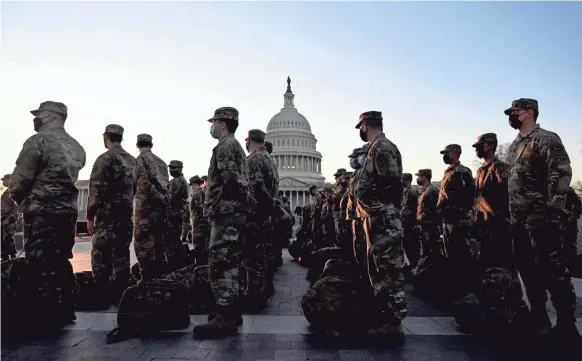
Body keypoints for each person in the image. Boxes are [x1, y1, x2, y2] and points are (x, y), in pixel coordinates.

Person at [504, 98, 579, 341]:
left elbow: (562, 173)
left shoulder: (547, 139)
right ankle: (539, 316)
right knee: (527, 269)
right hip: (518, 220)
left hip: (542, 220)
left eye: (514, 112)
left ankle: (567, 323)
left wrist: (551, 211)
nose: (511, 116)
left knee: (553, 270)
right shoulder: (515, 146)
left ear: (528, 113)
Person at [7, 101, 86, 328]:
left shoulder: (38, 141)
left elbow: (21, 177)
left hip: (42, 210)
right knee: (60, 259)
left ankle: (43, 315)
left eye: (39, 115)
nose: (36, 119)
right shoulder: (76, 147)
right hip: (67, 211)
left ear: (51, 116)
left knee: (39, 262)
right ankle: (65, 308)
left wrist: (16, 196)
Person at [193, 107, 250, 338]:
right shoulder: (236, 146)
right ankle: (231, 311)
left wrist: (217, 203)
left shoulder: (225, 147)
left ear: (222, 124)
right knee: (232, 263)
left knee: (220, 263)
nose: (212, 127)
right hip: (234, 213)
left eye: (214, 122)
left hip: (225, 213)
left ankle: (224, 315)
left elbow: (230, 178)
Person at [354, 111, 406, 336]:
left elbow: (392, 184)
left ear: (365, 126)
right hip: (376, 218)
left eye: (360, 128)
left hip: (383, 218)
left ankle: (391, 322)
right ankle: (383, 318)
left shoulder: (382, 147)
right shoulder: (376, 148)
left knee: (387, 272)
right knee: (378, 270)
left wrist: (381, 208)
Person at [86, 124, 137, 301]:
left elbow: (95, 190)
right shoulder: (132, 160)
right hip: (124, 216)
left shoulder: (104, 159)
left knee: (101, 255)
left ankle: (101, 294)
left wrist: (90, 217)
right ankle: (121, 295)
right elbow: (135, 188)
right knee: (122, 254)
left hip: (106, 217)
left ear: (106, 137)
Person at [242, 129, 277, 309]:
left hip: (255, 216)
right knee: (263, 255)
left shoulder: (255, 159)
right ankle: (263, 290)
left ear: (249, 140)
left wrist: (258, 206)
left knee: (253, 258)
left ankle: (254, 296)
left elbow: (257, 187)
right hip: (265, 216)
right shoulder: (269, 158)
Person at [437, 144, 476, 299]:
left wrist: (459, 214)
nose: (444, 156)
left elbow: (468, 196)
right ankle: (455, 289)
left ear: (454, 154)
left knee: (461, 256)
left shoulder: (462, 172)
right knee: (451, 256)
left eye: (446, 153)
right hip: (448, 220)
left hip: (458, 221)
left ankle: (465, 290)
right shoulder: (449, 172)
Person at [472, 133, 511, 270]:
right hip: (484, 224)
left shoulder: (500, 168)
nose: (477, 150)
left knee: (502, 263)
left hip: (498, 225)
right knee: (486, 262)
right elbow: (478, 198)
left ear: (489, 146)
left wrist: (502, 218)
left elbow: (508, 194)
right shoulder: (481, 171)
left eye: (479, 146)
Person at [133, 134, 170, 280]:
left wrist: (156, 198)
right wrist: (163, 200)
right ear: (151, 145)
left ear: (137, 145)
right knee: (159, 244)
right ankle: (162, 279)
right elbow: (167, 187)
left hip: (145, 209)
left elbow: (144, 185)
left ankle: (148, 281)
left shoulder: (140, 160)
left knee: (143, 244)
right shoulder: (161, 162)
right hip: (160, 210)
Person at [166, 160, 189, 271]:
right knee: (174, 242)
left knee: (171, 243)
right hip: (177, 215)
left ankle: (174, 268)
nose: (171, 170)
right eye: (170, 167)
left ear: (180, 168)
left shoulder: (177, 182)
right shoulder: (179, 181)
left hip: (173, 216)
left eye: (174, 168)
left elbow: (168, 199)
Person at [415, 169, 440, 258]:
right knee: (426, 248)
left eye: (419, 177)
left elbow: (437, 208)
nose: (417, 179)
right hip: (424, 225)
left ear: (424, 177)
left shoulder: (432, 190)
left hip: (431, 225)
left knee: (432, 248)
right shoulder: (424, 190)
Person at [400, 173, 421, 268]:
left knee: (412, 246)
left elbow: (408, 209)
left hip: (411, 224)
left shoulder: (411, 192)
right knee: (409, 246)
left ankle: (415, 267)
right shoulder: (408, 191)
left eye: (402, 180)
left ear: (406, 180)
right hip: (408, 223)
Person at [189, 175, 209, 265]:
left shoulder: (197, 194)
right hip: (201, 224)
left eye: (192, 185)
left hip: (199, 225)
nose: (191, 187)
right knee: (202, 247)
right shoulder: (202, 193)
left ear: (195, 184)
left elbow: (201, 209)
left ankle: (200, 268)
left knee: (199, 247)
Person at [1, 174, 18, 261]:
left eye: (5, 180)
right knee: (3, 239)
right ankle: (6, 257)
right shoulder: (6, 192)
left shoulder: (13, 192)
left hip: (9, 220)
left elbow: (15, 208)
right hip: (3, 219)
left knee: (7, 239)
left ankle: (11, 257)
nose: (3, 182)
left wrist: (9, 219)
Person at [564, 187, 581, 274]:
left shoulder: (568, 190)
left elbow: (578, 205)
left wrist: (572, 217)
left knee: (570, 248)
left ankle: (573, 269)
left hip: (568, 226)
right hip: (555, 226)